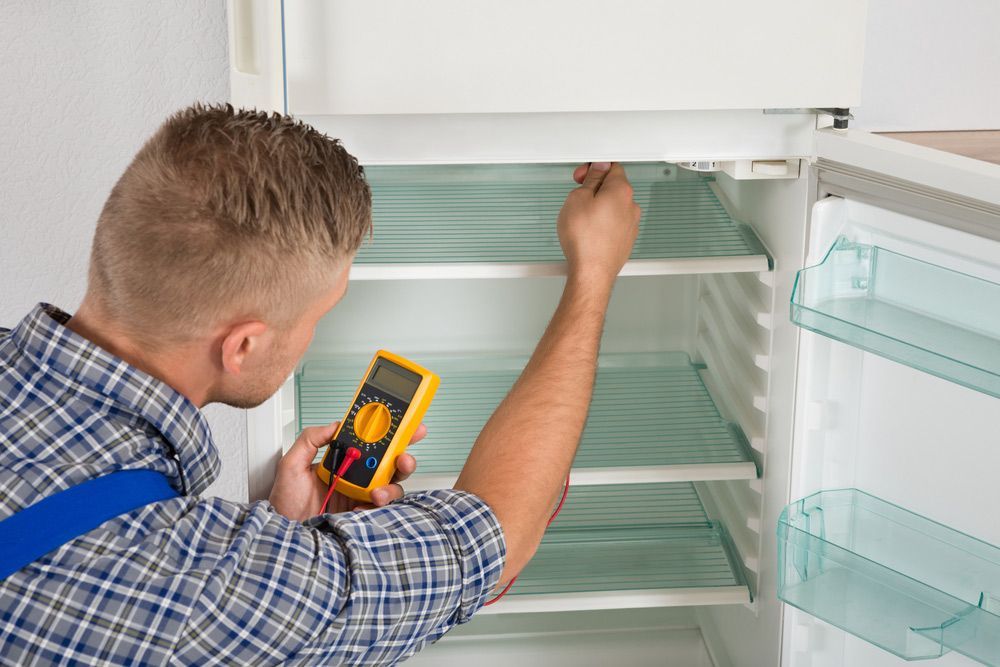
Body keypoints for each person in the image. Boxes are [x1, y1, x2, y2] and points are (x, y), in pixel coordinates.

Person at [0, 104, 640, 665]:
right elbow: (491, 538)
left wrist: (278, 535)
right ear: (243, 345)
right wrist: (595, 272)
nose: (309, 337)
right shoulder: (207, 594)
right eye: (318, 316)